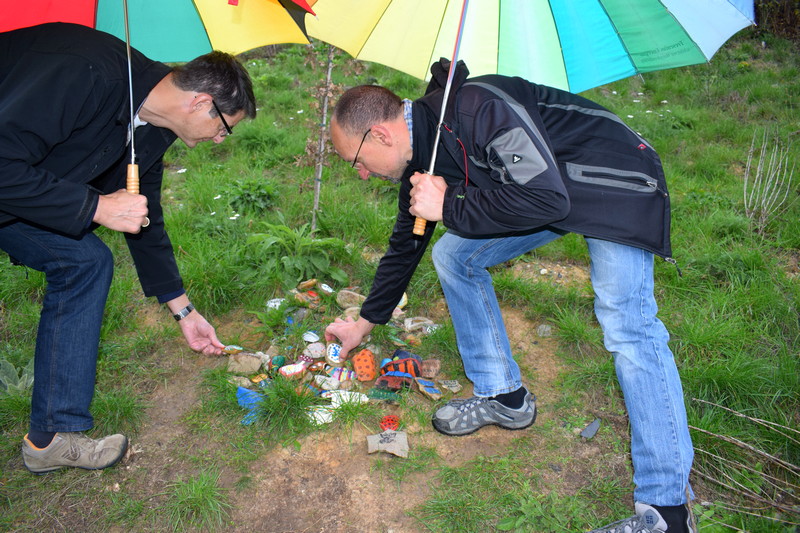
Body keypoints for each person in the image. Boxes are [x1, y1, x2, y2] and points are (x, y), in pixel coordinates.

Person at [324, 59, 695, 533]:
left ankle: (666, 513)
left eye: (355, 161)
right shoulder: (426, 156)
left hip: (611, 179)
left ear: (379, 135)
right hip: (549, 187)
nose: (359, 174)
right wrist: (364, 322)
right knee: (454, 256)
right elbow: (408, 242)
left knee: (629, 328)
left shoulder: (480, 108)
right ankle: (505, 395)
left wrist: (451, 204)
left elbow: (546, 200)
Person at [0, 23, 256, 474]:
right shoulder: (85, 72)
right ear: (200, 102)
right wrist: (95, 205)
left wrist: (184, 311)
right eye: (224, 129)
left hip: (20, 193)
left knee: (85, 261)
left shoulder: (155, 127)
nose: (220, 141)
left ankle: (51, 439)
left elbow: (144, 219)